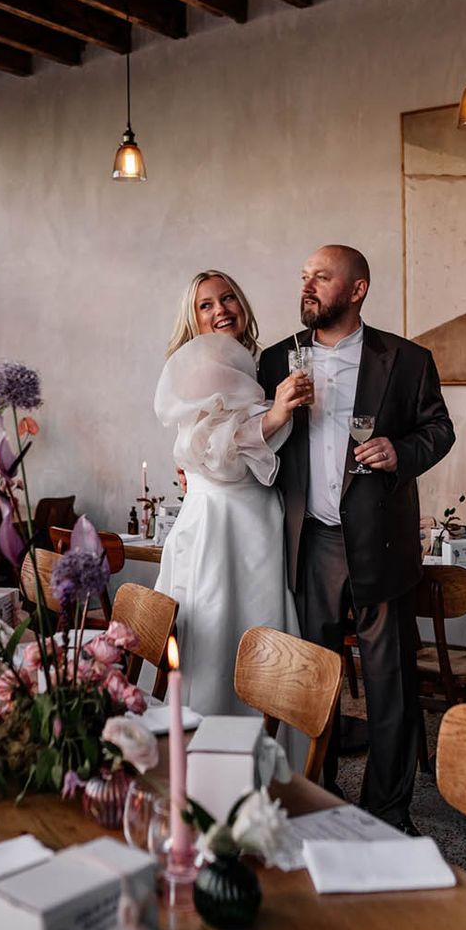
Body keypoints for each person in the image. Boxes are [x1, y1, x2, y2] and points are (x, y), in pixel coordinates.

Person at [258, 244, 455, 835]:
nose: (309, 285)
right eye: (304, 275)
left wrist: (401, 452)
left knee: (390, 681)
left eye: (322, 276)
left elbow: (439, 429)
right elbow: (247, 431)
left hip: (381, 542)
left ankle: (389, 813)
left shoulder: (407, 359)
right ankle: (317, 800)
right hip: (308, 542)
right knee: (313, 683)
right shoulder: (274, 361)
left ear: (358, 289)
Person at [153, 270, 311, 715]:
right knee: (223, 631)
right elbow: (215, 453)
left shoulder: (250, 361)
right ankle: (212, 752)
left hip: (257, 515)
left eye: (228, 298)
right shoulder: (202, 365)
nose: (221, 309)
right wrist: (277, 414)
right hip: (224, 521)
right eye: (206, 305)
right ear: (194, 317)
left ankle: (263, 742)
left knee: (259, 629)